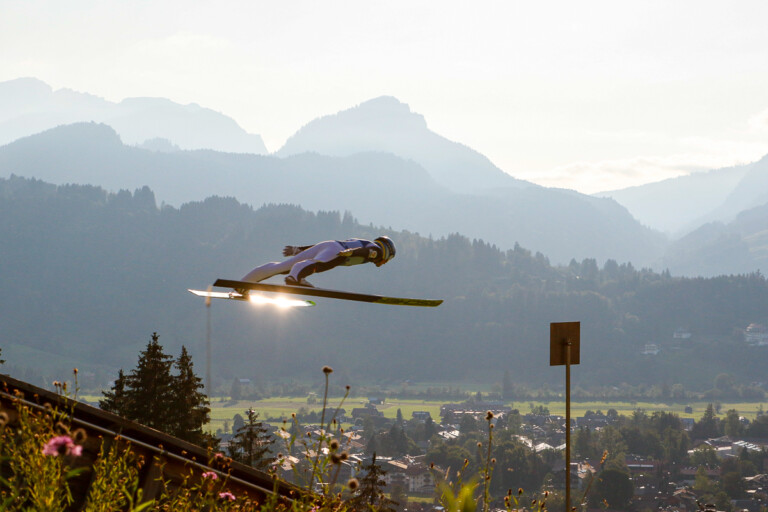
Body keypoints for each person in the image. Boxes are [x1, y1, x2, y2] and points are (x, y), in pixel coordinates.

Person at [239, 236, 396, 288]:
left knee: (281, 267)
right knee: (320, 265)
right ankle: (295, 277)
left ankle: (243, 284)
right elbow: (367, 252)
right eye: (388, 260)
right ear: (387, 253)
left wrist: (299, 250)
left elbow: (324, 247)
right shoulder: (377, 251)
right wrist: (352, 253)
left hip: (328, 244)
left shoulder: (366, 242)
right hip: (338, 251)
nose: (384, 263)